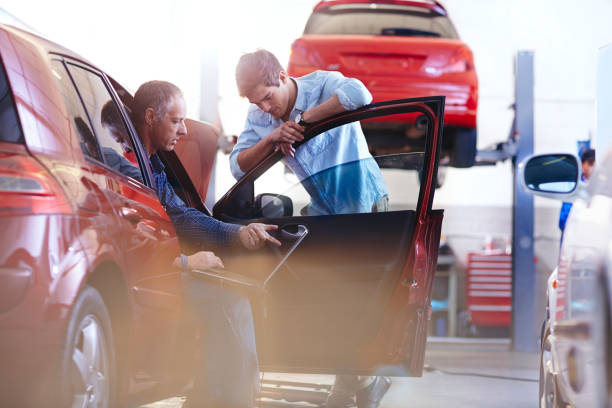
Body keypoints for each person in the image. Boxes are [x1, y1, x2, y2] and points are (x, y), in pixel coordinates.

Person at [231, 49, 390, 408]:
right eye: (258, 102)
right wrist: (272, 138)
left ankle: (348, 388)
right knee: (330, 299)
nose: (266, 108)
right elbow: (237, 167)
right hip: (324, 212)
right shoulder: (259, 116)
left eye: (269, 98)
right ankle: (363, 383)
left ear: (283, 77)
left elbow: (360, 95)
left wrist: (302, 122)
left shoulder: (324, 84)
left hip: (364, 202)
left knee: (355, 301)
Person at [132, 80, 281, 408]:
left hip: (159, 267)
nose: (183, 130)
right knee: (229, 298)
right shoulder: (128, 167)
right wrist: (185, 263)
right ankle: (234, 401)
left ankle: (209, 397)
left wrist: (237, 234)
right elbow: (129, 242)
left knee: (230, 288)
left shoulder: (151, 166)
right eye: (175, 120)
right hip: (146, 277)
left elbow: (181, 216)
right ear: (150, 116)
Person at [558, 148, 595, 234]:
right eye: (590, 164)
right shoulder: (574, 185)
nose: (592, 169)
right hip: (573, 236)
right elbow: (563, 221)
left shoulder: (601, 186)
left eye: (594, 165)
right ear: (582, 164)